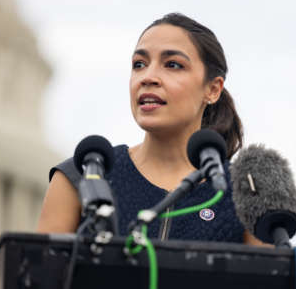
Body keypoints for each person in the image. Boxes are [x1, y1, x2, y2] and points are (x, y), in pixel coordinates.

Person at [37, 13, 267, 246]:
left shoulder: (247, 194)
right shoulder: (81, 177)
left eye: (173, 65)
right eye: (139, 64)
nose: (148, 77)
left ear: (213, 89)